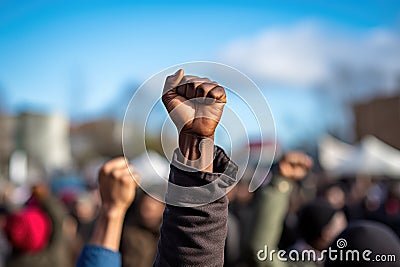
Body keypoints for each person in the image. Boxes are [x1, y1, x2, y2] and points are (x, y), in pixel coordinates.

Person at [77, 69, 238, 267]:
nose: (150, 205)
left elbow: (188, 252)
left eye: (156, 199)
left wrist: (196, 141)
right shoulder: (129, 228)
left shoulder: (164, 232)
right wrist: (112, 212)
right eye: (148, 198)